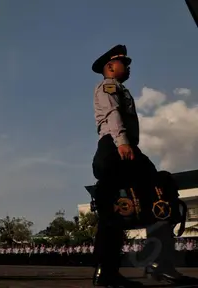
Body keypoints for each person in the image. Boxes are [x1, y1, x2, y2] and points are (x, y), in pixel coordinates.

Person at [91, 45, 198, 287]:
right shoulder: (108, 86)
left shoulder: (120, 88)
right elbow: (112, 113)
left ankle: (156, 265)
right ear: (110, 67)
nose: (128, 68)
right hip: (116, 148)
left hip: (124, 149)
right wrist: (122, 142)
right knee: (121, 207)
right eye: (123, 64)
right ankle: (113, 271)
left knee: (156, 197)